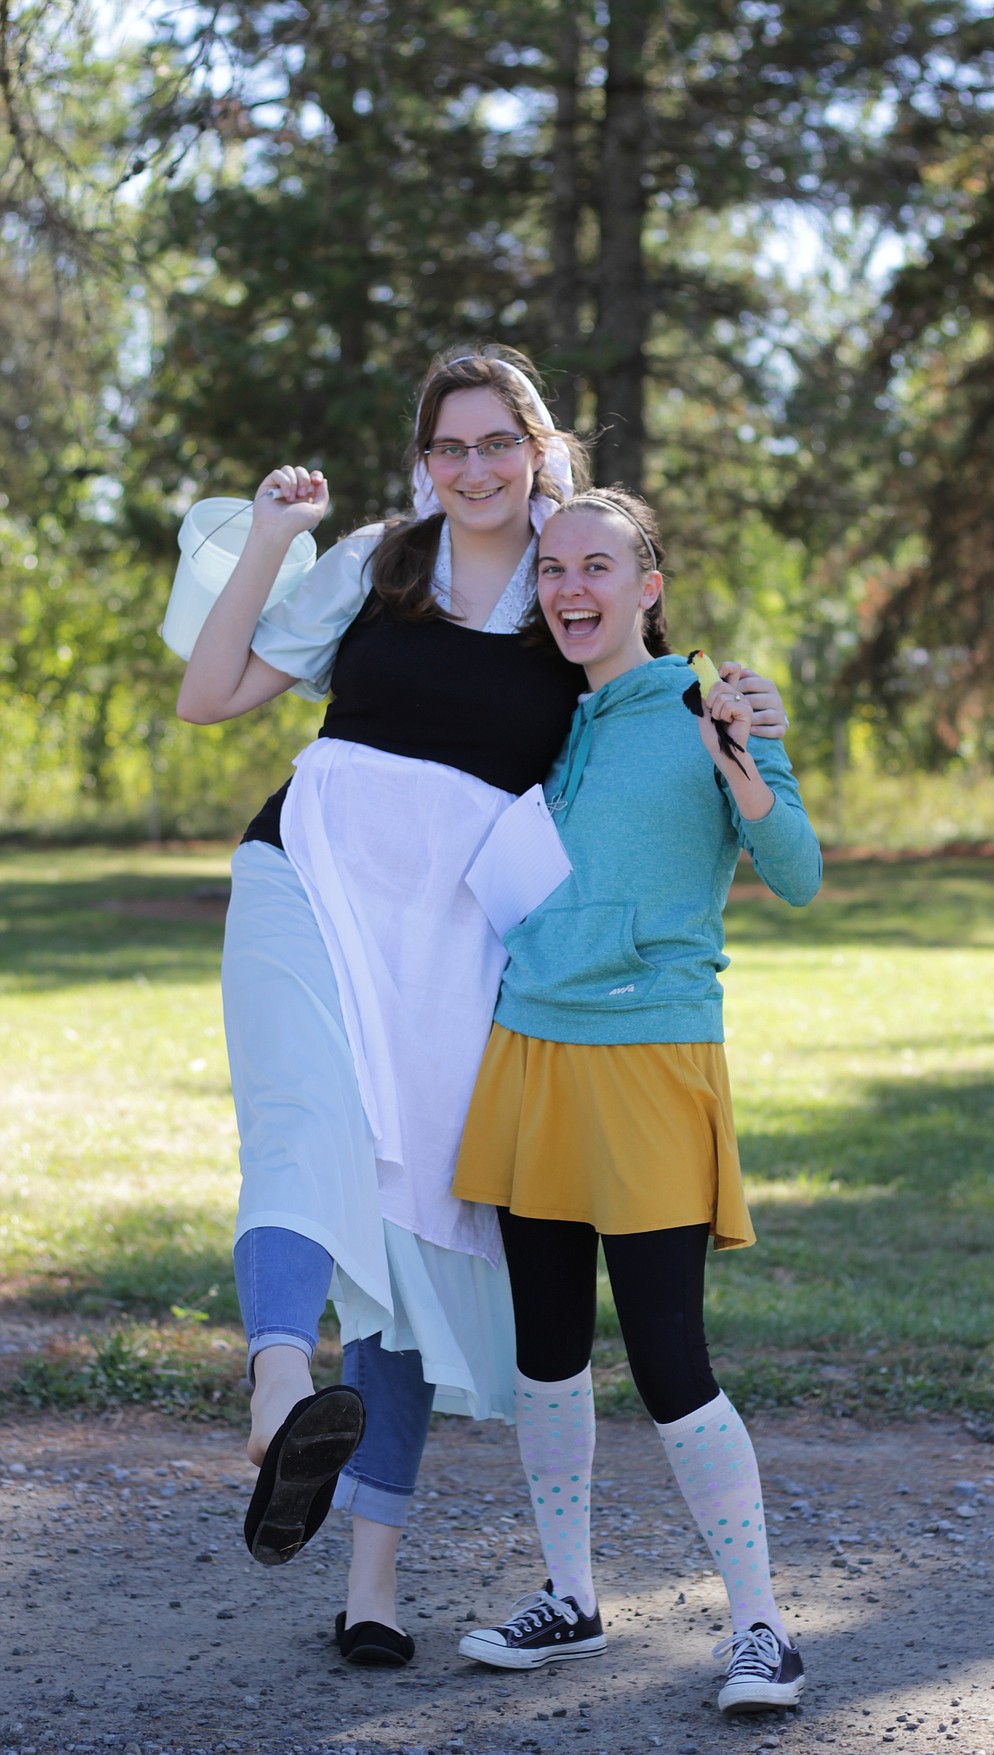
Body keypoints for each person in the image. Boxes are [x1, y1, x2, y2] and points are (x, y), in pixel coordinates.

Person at [176, 348, 792, 1667]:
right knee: (297, 1124)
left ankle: (372, 1582)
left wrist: (739, 714)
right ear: (421, 460)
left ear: (534, 447)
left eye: (493, 442)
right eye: (447, 446)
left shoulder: (564, 593)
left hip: (452, 934)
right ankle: (280, 1380)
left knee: (410, 1225)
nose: (471, 467)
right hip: (311, 864)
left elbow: (647, 694)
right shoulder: (376, 564)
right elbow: (210, 691)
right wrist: (273, 539)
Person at [451, 486, 821, 1713]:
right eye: (552, 568)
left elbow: (800, 874)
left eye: (596, 566)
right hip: (530, 1053)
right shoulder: (551, 721)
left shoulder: (710, 706)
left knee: (671, 1359)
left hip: (654, 1057)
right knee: (545, 1355)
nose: (569, 587)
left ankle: (763, 1629)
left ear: (648, 587)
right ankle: (571, 1598)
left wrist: (749, 765)